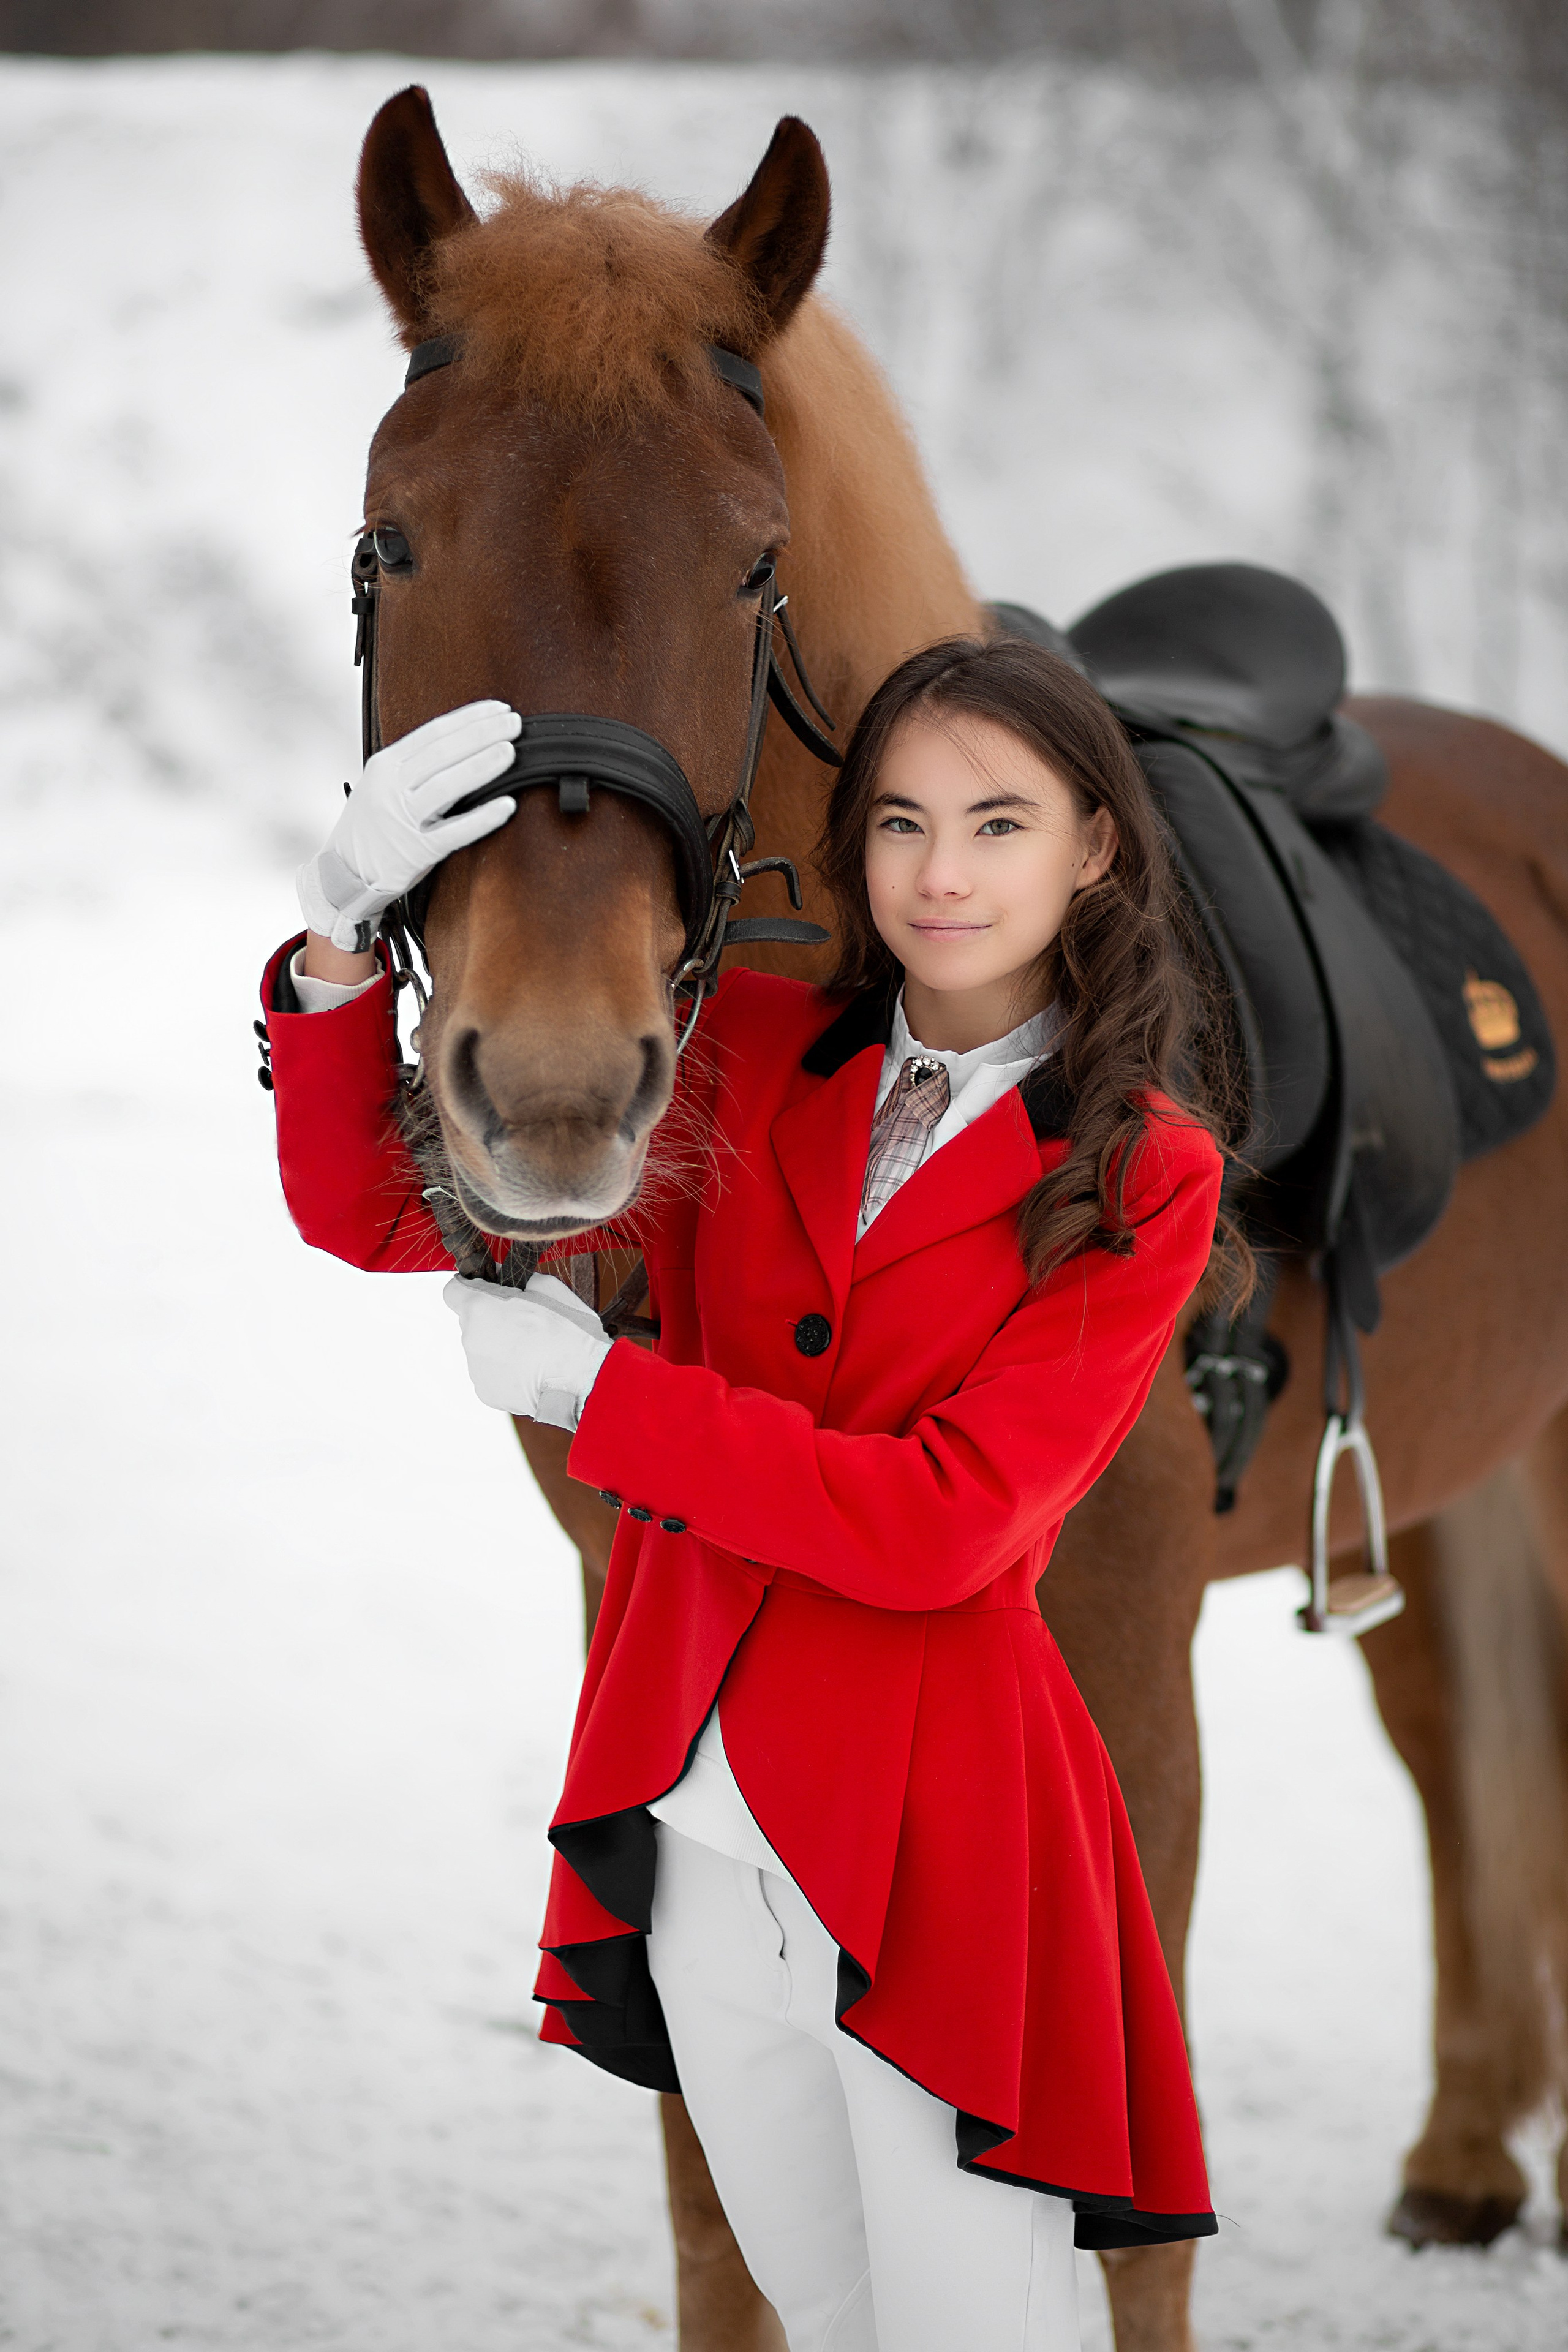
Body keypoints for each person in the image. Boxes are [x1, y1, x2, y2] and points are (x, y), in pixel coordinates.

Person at [262, 636, 1237, 2352]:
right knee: (832, 2315)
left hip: (945, 1857)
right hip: (701, 1832)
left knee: (969, 2333)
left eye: (999, 825)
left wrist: (606, 1398)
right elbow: (380, 1213)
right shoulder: (743, 1050)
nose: (941, 876)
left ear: (1095, 847)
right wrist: (341, 947)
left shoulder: (1140, 1167)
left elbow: (947, 1522)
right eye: (903, 823)